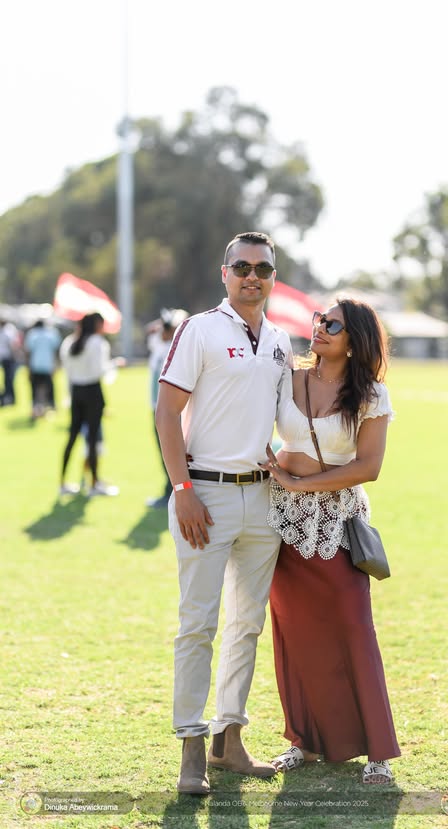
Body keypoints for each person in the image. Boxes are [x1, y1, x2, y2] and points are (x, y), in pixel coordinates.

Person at [155, 231, 293, 795]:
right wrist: (181, 487)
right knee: (198, 624)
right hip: (204, 494)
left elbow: (293, 422)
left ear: (273, 277)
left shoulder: (282, 339)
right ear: (225, 273)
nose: (252, 276)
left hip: (263, 497)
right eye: (242, 267)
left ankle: (228, 738)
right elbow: (166, 412)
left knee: (247, 626)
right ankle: (191, 745)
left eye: (262, 268)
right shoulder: (200, 328)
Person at [260, 299, 401, 785]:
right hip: (281, 522)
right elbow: (261, 430)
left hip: (338, 525)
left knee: (354, 631)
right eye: (320, 319)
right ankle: (304, 741)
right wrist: (277, 470)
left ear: (355, 337)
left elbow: (369, 467)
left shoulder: (370, 394)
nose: (320, 327)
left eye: (333, 324)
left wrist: (303, 484)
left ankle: (378, 752)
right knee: (293, 634)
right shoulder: (289, 378)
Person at [59, 312, 119, 496]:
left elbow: (67, 372)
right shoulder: (97, 343)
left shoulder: (70, 342)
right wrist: (115, 364)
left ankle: (62, 482)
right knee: (93, 439)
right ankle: (93, 483)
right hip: (92, 391)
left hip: (76, 392)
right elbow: (101, 371)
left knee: (72, 436)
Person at [145, 309, 188, 508]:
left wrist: (176, 321)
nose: (163, 330)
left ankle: (172, 491)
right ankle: (169, 489)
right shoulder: (160, 345)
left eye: (167, 327)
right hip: (156, 408)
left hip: (173, 410)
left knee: (173, 452)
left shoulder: (178, 347)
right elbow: (150, 330)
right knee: (163, 452)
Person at [24, 319, 61, 418]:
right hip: (47, 365)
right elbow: (55, 351)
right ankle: (49, 407)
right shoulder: (51, 333)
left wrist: (28, 367)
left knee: (35, 388)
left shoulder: (32, 334)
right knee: (49, 388)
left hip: (35, 365)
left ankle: (36, 408)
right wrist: (56, 365)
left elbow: (28, 352)